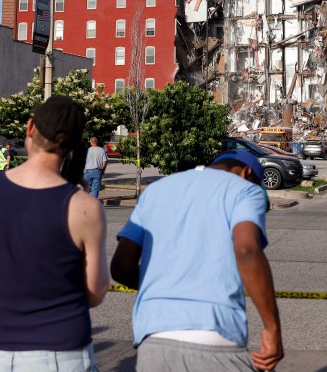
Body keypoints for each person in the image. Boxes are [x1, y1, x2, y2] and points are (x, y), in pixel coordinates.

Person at [0, 95, 109, 371]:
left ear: (30, 128)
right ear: (77, 145)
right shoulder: (85, 208)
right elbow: (95, 293)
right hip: (61, 352)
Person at [110, 150, 283, 372]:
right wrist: (272, 329)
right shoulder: (244, 190)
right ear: (246, 173)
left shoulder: (155, 190)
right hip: (215, 337)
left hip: (153, 340)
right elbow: (247, 250)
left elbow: (121, 268)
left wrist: (166, 285)